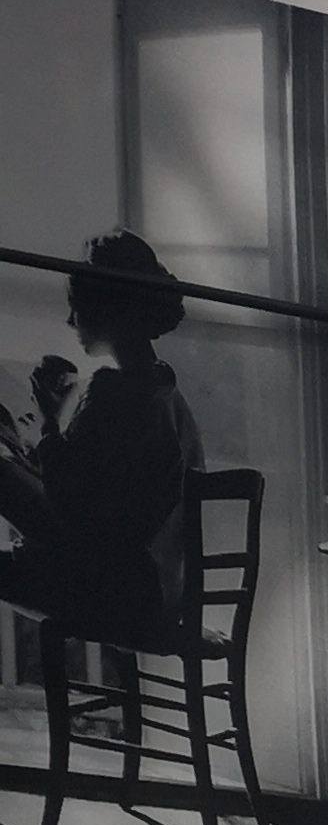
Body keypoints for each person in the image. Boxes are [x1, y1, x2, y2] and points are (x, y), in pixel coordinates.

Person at [0, 235, 203, 650]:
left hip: (119, 598)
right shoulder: (167, 394)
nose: (71, 321)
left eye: (77, 307)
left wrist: (50, 421)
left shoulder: (114, 392)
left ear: (106, 308)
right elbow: (103, 497)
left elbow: (69, 503)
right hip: (163, 597)